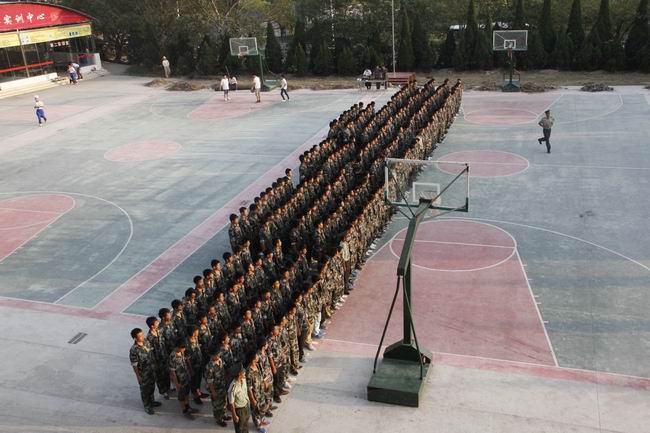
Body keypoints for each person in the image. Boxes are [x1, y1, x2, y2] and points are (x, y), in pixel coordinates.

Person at [129, 328, 161, 414]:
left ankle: (152, 401)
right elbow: (135, 365)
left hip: (152, 370)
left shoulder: (146, 341)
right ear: (135, 338)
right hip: (144, 374)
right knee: (145, 390)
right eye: (140, 336)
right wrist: (138, 377)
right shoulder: (134, 350)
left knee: (152, 387)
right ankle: (147, 406)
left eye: (142, 334)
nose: (142, 337)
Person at [228, 364, 252, 433]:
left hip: (246, 407)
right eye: (243, 372)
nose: (244, 372)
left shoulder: (243, 380)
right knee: (240, 428)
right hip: (239, 411)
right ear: (239, 374)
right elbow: (231, 403)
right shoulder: (233, 387)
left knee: (246, 425)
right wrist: (234, 415)